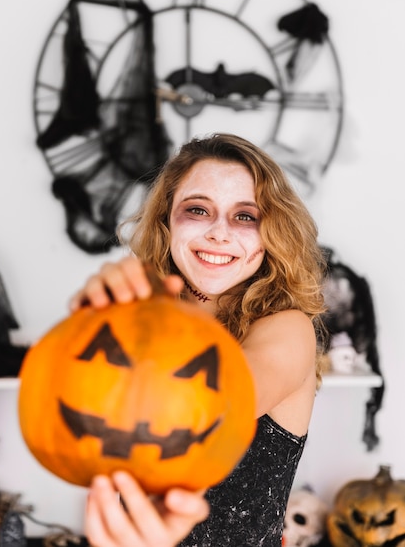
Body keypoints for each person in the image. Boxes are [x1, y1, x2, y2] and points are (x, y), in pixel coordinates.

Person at [70, 133, 327, 547]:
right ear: (166, 220)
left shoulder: (286, 326)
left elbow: (215, 405)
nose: (219, 233)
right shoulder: (139, 317)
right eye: (197, 209)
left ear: (272, 231)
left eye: (246, 216)